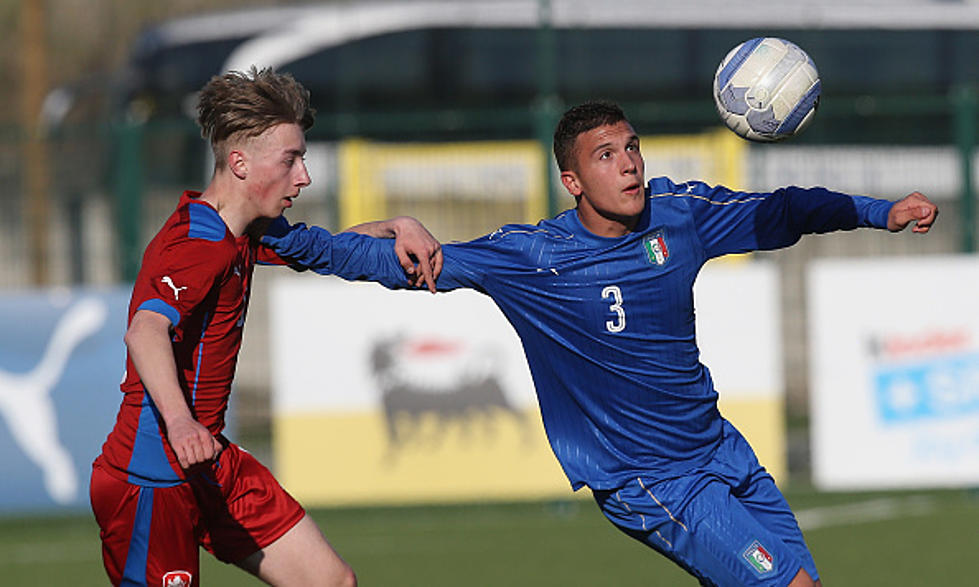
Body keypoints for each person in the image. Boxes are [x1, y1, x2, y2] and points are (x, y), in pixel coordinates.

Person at [261, 100, 938, 586]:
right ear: (573, 180)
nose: (629, 165)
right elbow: (391, 263)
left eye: (633, 147)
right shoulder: (536, 258)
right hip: (647, 476)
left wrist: (880, 211)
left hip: (718, 448)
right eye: (605, 155)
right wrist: (276, 237)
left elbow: (781, 209)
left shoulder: (679, 216)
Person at [89, 67, 441, 587]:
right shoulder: (198, 243)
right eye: (291, 159)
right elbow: (145, 329)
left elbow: (329, 249)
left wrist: (395, 226)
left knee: (330, 581)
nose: (304, 176)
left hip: (208, 461)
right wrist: (181, 422)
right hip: (151, 476)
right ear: (240, 163)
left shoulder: (248, 232)